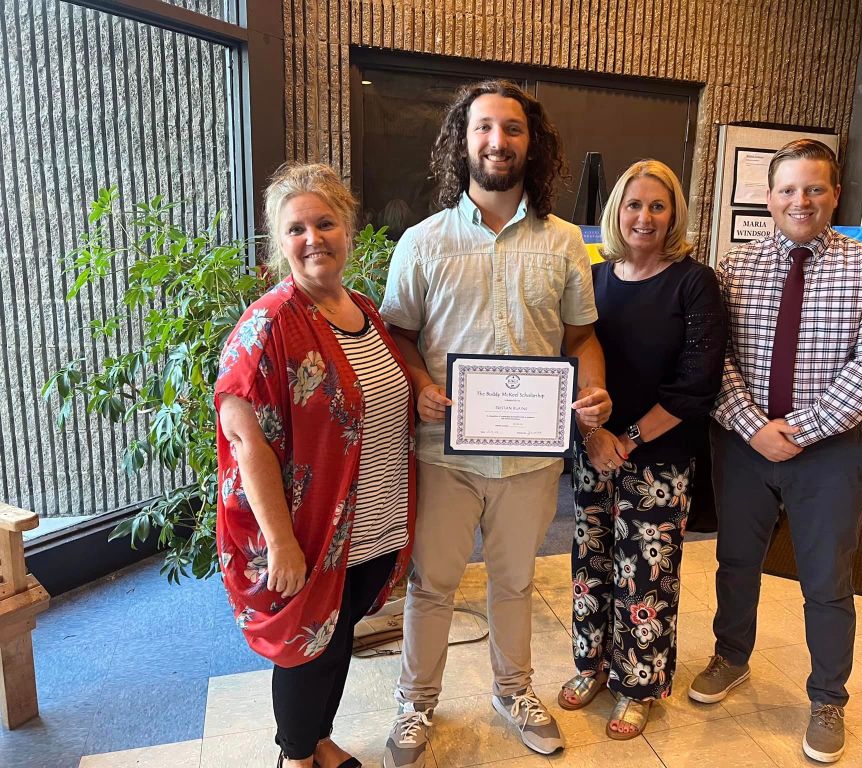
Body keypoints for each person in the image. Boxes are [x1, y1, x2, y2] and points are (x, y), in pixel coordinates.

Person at [379, 79, 612, 768]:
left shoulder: (564, 243)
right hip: (443, 454)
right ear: (463, 140)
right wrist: (421, 384)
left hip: (531, 459)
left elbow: (581, 338)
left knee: (514, 584)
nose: (497, 141)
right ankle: (415, 703)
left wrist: (594, 391)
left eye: (512, 128)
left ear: (531, 144)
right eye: (483, 127)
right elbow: (397, 337)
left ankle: (514, 692)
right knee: (432, 586)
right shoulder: (423, 242)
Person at [689, 140, 862, 764]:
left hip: (830, 452)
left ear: (836, 194)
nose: (800, 201)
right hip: (743, 445)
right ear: (770, 197)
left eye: (814, 189)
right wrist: (753, 427)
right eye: (788, 189)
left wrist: (800, 431)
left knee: (827, 579)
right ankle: (731, 656)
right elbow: (712, 358)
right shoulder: (733, 268)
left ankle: (828, 697)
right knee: (735, 561)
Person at [215, 163, 416, 768]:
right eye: (296, 228)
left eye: (325, 223)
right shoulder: (268, 325)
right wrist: (281, 543)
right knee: (307, 650)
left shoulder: (364, 311)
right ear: (279, 242)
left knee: (337, 637)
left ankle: (319, 739)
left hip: (369, 520)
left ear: (348, 228)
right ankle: (297, 756)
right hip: (306, 533)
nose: (312, 239)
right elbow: (245, 441)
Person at [556, 160, 726, 738]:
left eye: (658, 205)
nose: (645, 217)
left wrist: (625, 440)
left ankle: (637, 685)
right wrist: (593, 437)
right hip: (593, 447)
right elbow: (571, 358)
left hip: (659, 457)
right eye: (634, 204)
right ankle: (592, 665)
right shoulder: (593, 278)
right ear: (616, 211)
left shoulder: (694, 283)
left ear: (674, 214)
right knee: (591, 563)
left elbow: (696, 383)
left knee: (646, 575)